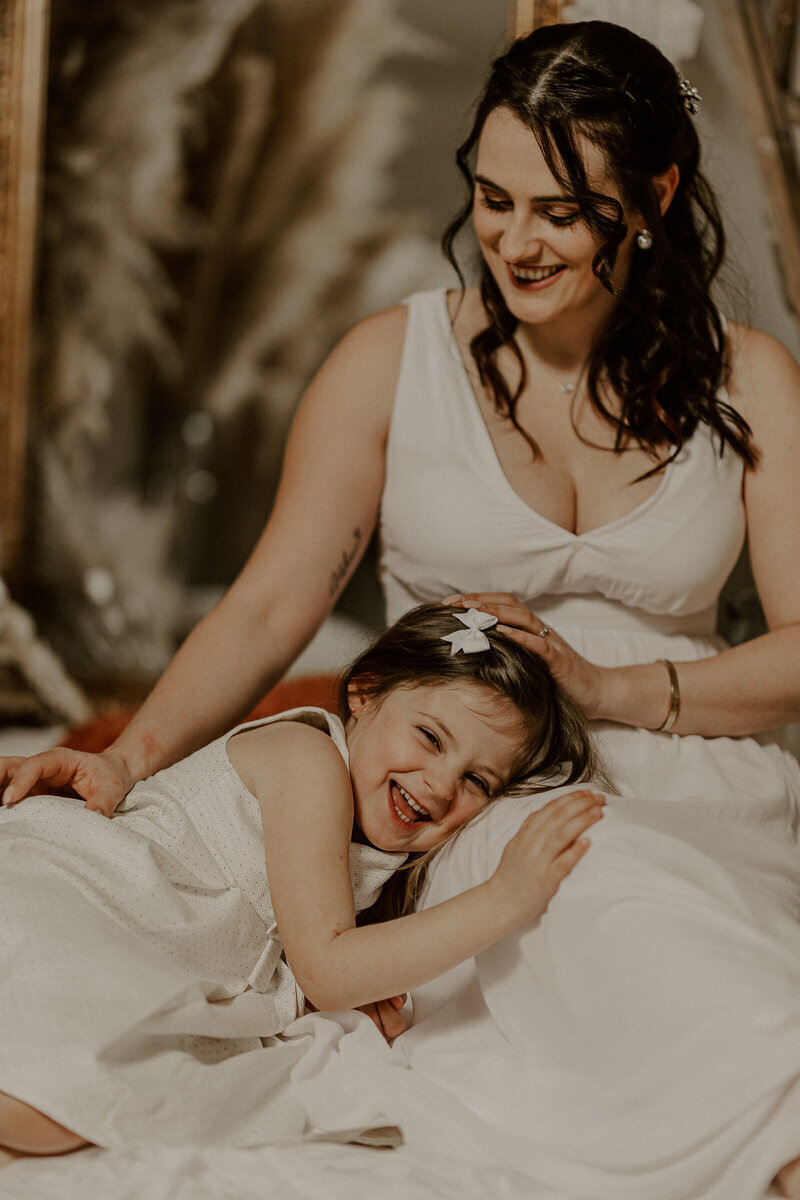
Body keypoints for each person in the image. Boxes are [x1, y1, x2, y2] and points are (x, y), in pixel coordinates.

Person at [3, 14, 800, 1194]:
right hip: (485, 781)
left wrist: (608, 688)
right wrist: (131, 759)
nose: (511, 241)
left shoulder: (749, 380)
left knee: (667, 906)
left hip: (698, 758)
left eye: (557, 210)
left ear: (650, 197)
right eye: (491, 198)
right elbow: (270, 608)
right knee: (586, 878)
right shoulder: (391, 360)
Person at [0, 603, 604, 1162]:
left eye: (478, 781)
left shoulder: (386, 843)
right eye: (430, 737)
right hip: (93, 886)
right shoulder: (310, 761)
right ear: (364, 693)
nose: (442, 784)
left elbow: (319, 948)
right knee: (48, 1087)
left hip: (155, 945)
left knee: (115, 1094)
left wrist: (360, 984)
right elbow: (330, 965)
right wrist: (503, 897)